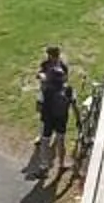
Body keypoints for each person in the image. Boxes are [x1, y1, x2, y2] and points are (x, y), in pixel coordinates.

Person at [31, 45, 73, 175]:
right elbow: (73, 102)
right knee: (60, 139)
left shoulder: (47, 90)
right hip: (61, 117)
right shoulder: (66, 89)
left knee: (45, 140)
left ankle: (44, 166)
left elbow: (41, 102)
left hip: (48, 116)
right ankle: (61, 164)